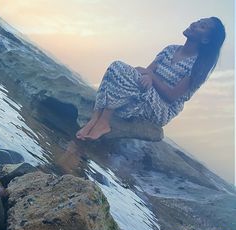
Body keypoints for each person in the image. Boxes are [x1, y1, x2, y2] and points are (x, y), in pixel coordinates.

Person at [76, 17, 226, 140]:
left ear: (205, 40)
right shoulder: (170, 49)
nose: (194, 24)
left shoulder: (198, 67)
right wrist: (147, 75)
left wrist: (151, 77)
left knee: (122, 70)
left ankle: (103, 122)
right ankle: (95, 118)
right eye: (198, 21)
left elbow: (172, 96)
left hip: (162, 109)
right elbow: (146, 71)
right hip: (147, 93)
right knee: (117, 68)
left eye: (202, 26)